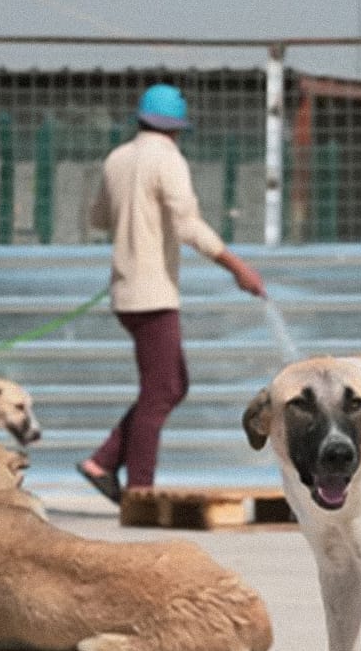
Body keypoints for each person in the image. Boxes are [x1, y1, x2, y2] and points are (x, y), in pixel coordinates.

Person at [78, 83, 266, 502]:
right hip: (153, 293)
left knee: (171, 384)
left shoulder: (118, 158)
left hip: (126, 293)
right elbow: (188, 226)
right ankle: (139, 489)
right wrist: (238, 269)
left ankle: (104, 460)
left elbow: (98, 218)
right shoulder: (168, 160)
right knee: (161, 390)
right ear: (176, 128)